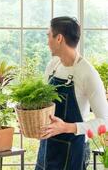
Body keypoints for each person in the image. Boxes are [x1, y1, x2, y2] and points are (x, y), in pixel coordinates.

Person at [35, 16, 108, 170]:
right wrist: (34, 123)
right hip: (47, 148)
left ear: (59, 38)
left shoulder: (88, 74)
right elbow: (44, 105)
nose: (47, 41)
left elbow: (105, 122)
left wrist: (66, 127)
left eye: (49, 35)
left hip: (73, 151)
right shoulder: (53, 65)